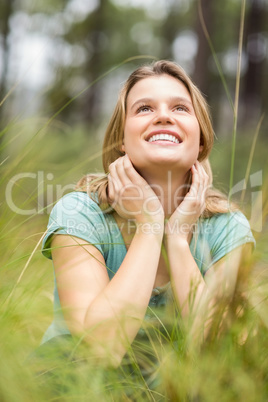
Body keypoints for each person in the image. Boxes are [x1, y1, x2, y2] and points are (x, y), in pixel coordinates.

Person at [41, 60, 255, 369]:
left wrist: (178, 239)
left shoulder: (228, 229)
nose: (164, 116)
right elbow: (100, 350)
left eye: (181, 108)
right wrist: (149, 226)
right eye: (144, 109)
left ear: (202, 140)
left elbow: (219, 361)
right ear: (122, 141)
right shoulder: (79, 213)